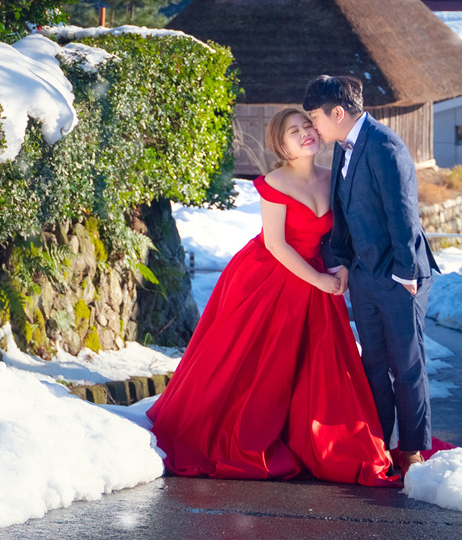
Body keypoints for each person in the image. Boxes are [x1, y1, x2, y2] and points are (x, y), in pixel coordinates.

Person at [147, 106, 397, 486]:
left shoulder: (333, 179)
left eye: (308, 126)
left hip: (317, 279)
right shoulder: (275, 182)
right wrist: (317, 279)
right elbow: (277, 244)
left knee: (317, 367)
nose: (305, 134)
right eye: (293, 132)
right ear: (281, 145)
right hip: (267, 277)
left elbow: (340, 236)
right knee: (259, 364)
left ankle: (314, 442)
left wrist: (343, 267)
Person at [304, 72, 435, 476]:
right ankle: (378, 445)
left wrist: (406, 273)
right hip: (363, 274)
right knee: (373, 364)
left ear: (338, 112)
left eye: (315, 118)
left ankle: (412, 450)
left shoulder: (384, 146)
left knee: (406, 365)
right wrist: (342, 261)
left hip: (399, 276)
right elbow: (345, 213)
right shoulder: (344, 147)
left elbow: (403, 214)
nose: (313, 126)